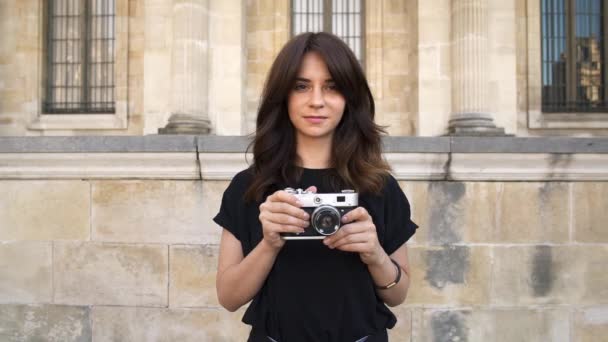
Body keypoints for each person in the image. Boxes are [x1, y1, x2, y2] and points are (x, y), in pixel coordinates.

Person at [214, 32, 418, 342]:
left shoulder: (378, 185)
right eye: (301, 86)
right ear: (283, 96)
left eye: (332, 87)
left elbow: (398, 295)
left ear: (350, 97)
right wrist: (270, 242)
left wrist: (375, 253)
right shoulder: (251, 186)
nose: (317, 101)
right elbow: (228, 297)